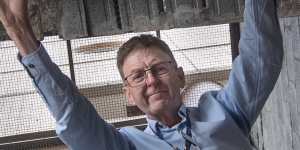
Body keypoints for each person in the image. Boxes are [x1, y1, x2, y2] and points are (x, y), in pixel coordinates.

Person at [0, 0, 283, 149]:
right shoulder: (126, 146)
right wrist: (19, 32)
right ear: (128, 94)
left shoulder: (224, 112)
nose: (151, 80)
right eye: (138, 76)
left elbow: (260, 58)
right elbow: (74, 119)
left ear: (180, 75)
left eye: (159, 68)